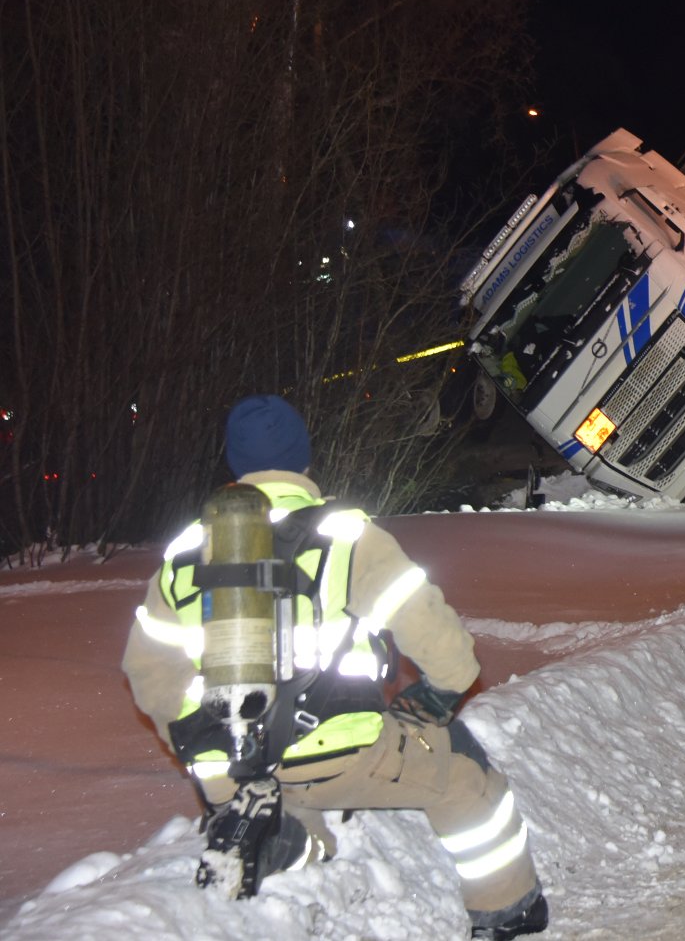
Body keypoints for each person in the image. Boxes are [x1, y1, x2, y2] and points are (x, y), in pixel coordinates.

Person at [122, 395, 547, 939]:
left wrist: (209, 754)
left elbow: (148, 674)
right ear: (303, 459)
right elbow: (440, 642)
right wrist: (442, 692)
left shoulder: (185, 553)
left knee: (294, 804)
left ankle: (285, 840)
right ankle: (509, 912)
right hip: (339, 757)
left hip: (233, 772)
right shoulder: (345, 535)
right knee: (467, 778)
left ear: (235, 464)